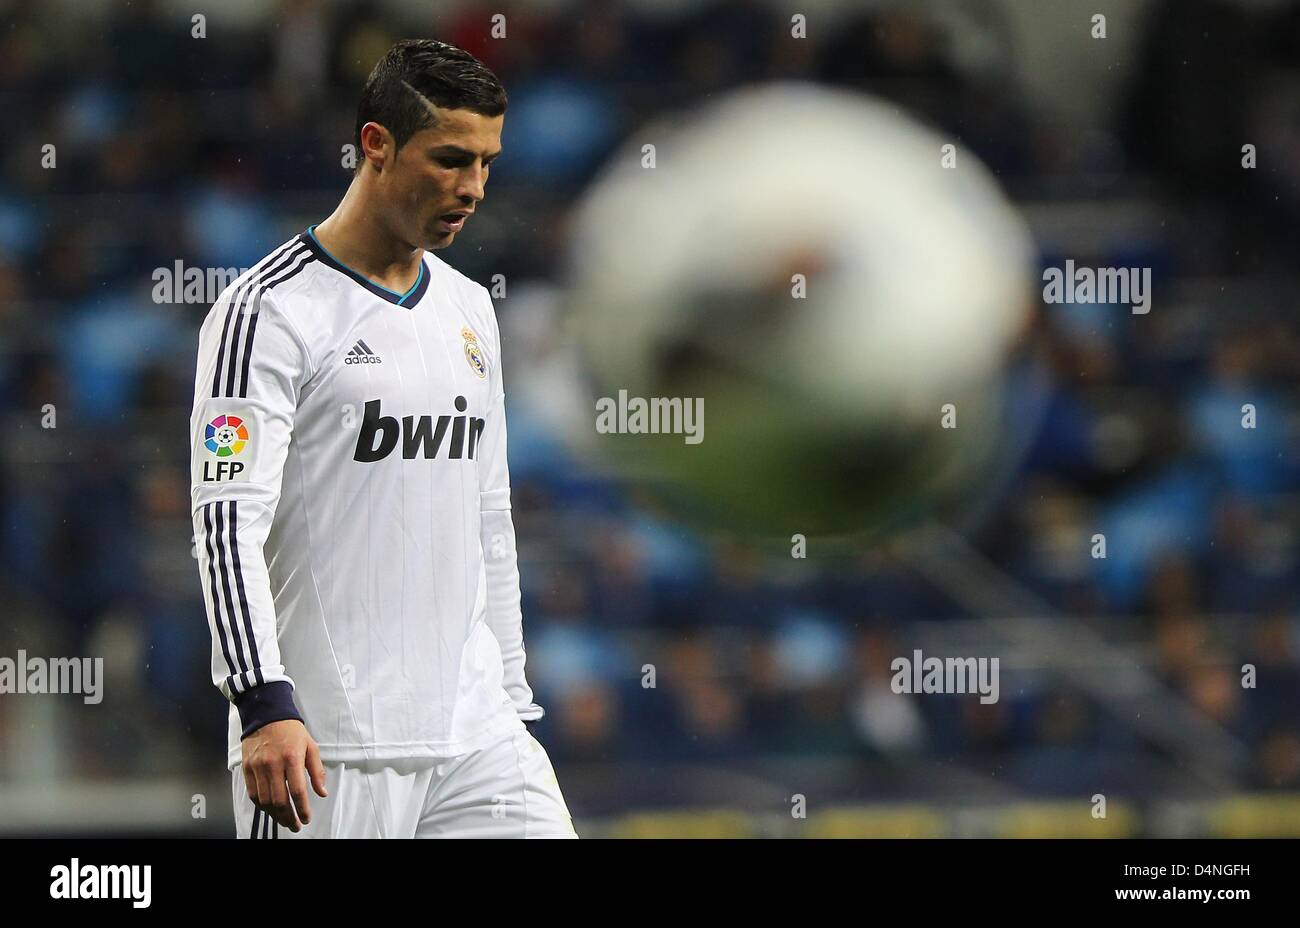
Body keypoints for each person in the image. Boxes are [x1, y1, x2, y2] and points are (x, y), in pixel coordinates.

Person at [188, 39, 575, 838]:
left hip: (479, 739)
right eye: (450, 159)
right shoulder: (265, 314)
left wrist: (509, 694)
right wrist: (261, 702)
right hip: (327, 744)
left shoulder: (470, 308)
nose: (473, 188)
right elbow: (226, 524)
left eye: (487, 163)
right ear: (376, 145)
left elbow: (488, 517)